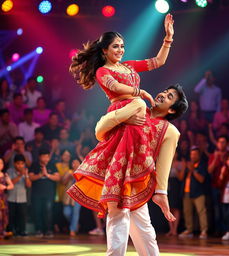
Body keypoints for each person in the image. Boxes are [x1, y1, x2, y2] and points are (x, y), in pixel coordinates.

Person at [68, 13, 175, 220]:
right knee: (121, 160)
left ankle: (157, 193)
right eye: (115, 46)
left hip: (138, 115)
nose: (120, 50)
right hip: (122, 113)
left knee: (163, 137)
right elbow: (115, 87)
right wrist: (140, 93)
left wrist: (168, 37)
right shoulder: (102, 71)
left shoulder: (129, 66)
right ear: (104, 50)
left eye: (122, 46)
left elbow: (159, 61)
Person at [79, 84, 188, 255]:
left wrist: (161, 193)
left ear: (172, 110)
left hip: (139, 181)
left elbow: (163, 165)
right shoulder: (136, 106)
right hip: (116, 172)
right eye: (165, 91)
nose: (163, 94)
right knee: (118, 221)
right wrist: (124, 118)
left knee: (144, 231)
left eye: (169, 97)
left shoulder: (170, 131)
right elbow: (99, 130)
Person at [29, 148, 60, 237]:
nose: (46, 159)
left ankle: (48, 230)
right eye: (44, 157)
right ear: (39, 157)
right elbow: (31, 178)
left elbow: (58, 178)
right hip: (36, 193)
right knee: (37, 211)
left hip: (49, 193)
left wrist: (47, 175)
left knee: (48, 211)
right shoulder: (34, 165)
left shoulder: (52, 165)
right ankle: (38, 230)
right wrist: (40, 175)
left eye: (47, 157)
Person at [179, 146, 208, 239]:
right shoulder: (188, 165)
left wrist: (193, 170)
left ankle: (204, 231)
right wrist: (184, 167)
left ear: (199, 155)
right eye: (191, 154)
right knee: (187, 212)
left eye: (195, 154)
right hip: (187, 192)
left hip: (198, 193)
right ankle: (189, 230)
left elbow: (201, 179)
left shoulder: (202, 165)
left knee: (201, 212)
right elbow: (180, 178)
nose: (193, 156)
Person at [6, 154, 31, 236]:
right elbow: (10, 182)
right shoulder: (9, 171)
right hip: (11, 197)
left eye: (22, 163)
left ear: (24, 164)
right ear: (14, 163)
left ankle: (22, 231)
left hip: (22, 198)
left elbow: (28, 185)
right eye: (18, 163)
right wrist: (20, 175)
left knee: (22, 216)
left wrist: (26, 175)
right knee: (11, 216)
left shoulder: (26, 171)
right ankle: (11, 231)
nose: (20, 165)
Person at [62, 158, 82, 237]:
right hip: (68, 197)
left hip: (78, 196)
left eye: (77, 163)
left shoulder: (82, 173)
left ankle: (72, 230)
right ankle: (75, 224)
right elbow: (63, 182)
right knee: (66, 213)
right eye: (73, 163)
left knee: (75, 213)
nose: (75, 165)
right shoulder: (68, 172)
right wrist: (68, 177)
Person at [0, 157, 13, 239]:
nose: (0, 165)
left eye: (1, 163)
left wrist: (5, 187)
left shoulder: (5, 175)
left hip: (2, 198)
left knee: (4, 215)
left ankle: (3, 231)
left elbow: (11, 185)